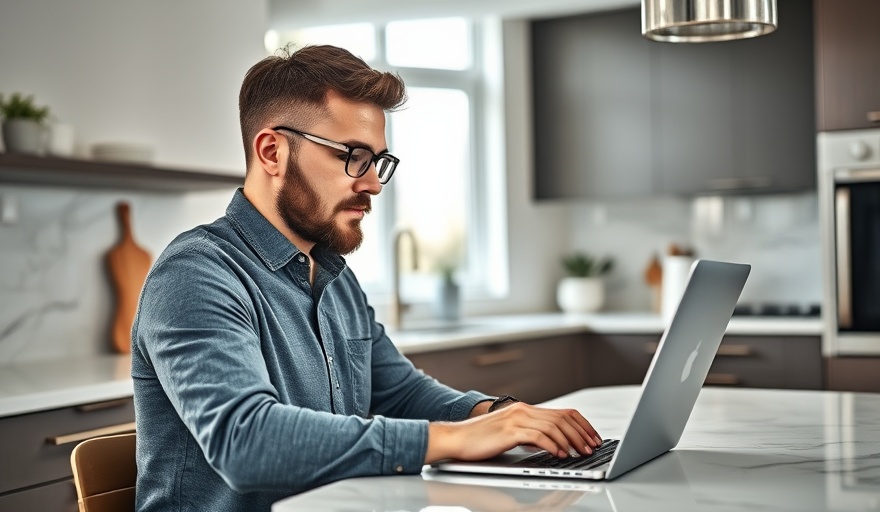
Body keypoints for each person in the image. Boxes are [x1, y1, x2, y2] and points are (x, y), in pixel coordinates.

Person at [131, 44, 601, 512]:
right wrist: (454, 439)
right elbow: (246, 441)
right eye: (353, 155)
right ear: (272, 151)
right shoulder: (196, 273)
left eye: (378, 161)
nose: (373, 182)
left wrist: (500, 415)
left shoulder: (333, 275)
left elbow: (399, 392)